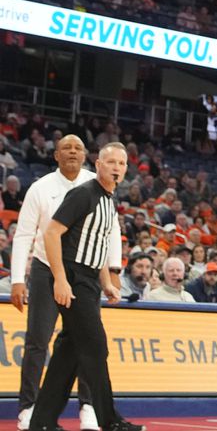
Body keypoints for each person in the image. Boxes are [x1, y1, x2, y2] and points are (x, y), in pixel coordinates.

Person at [27, 142, 142, 431]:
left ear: (126, 169)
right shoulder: (84, 193)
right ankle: (110, 421)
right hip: (74, 278)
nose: (116, 168)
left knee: (68, 352)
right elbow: (51, 233)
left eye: (121, 164)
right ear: (98, 164)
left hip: (89, 279)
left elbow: (99, 246)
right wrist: (61, 279)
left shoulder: (108, 200)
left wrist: (107, 283)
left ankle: (41, 422)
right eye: (110, 162)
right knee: (95, 347)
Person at [10, 134, 103, 431]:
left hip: (83, 272)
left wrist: (111, 272)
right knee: (38, 341)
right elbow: (24, 235)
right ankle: (28, 407)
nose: (73, 152)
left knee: (87, 342)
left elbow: (109, 230)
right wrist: (16, 279)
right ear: (56, 155)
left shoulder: (97, 185)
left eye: (78, 148)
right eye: (66, 148)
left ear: (86, 154)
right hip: (45, 269)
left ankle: (88, 407)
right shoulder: (40, 188)